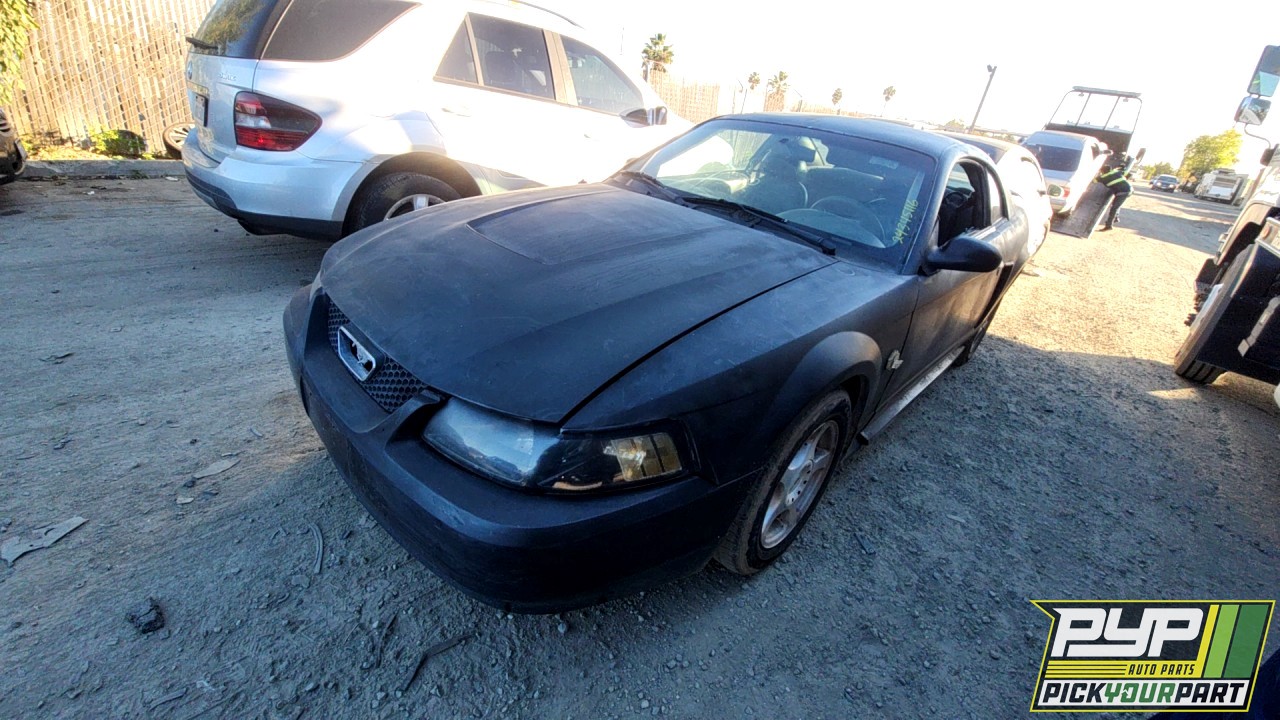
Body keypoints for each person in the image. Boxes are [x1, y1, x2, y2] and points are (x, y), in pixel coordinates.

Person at [1096, 163, 1132, 231]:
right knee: (1116, 205)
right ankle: (1115, 218)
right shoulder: (1117, 172)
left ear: (1102, 171)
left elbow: (1094, 181)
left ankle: (1109, 226)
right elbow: (1129, 175)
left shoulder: (1102, 177)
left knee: (1114, 208)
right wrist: (1121, 180)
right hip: (1128, 189)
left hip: (1122, 192)